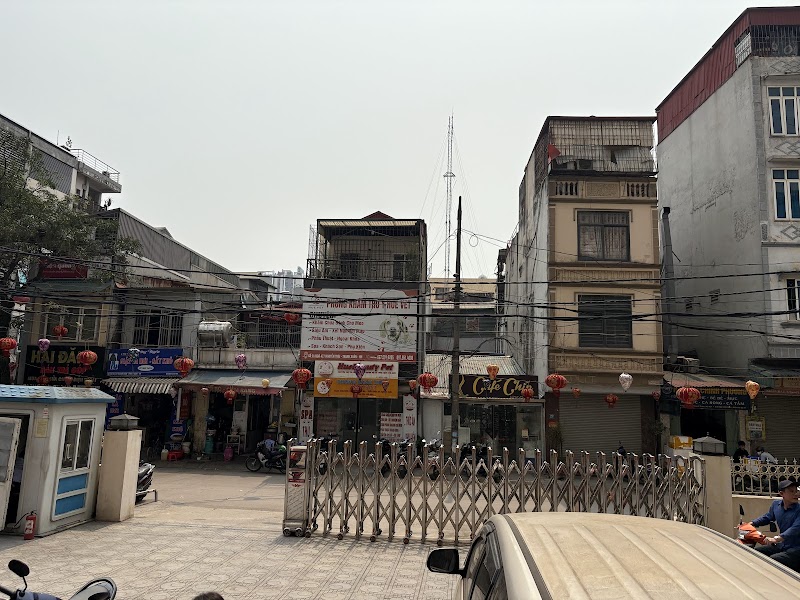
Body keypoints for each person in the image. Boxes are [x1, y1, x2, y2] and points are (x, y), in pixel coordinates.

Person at [750, 478, 800, 571]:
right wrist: (751, 523)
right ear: (781, 493)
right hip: (783, 545)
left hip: (796, 548)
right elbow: (768, 517)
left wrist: (777, 538)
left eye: (796, 491)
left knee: (773, 560)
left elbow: (795, 528)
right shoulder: (776, 505)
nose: (796, 494)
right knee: (755, 553)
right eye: (791, 491)